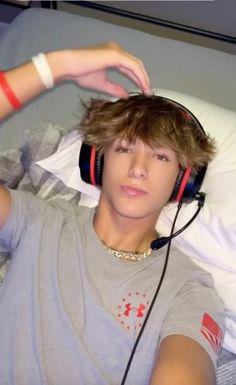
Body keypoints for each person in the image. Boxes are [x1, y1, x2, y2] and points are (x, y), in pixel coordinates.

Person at [0, 42, 224, 385]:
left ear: (183, 181)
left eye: (160, 156)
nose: (138, 168)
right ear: (97, 161)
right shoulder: (38, 220)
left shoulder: (189, 289)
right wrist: (54, 66)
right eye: (124, 148)